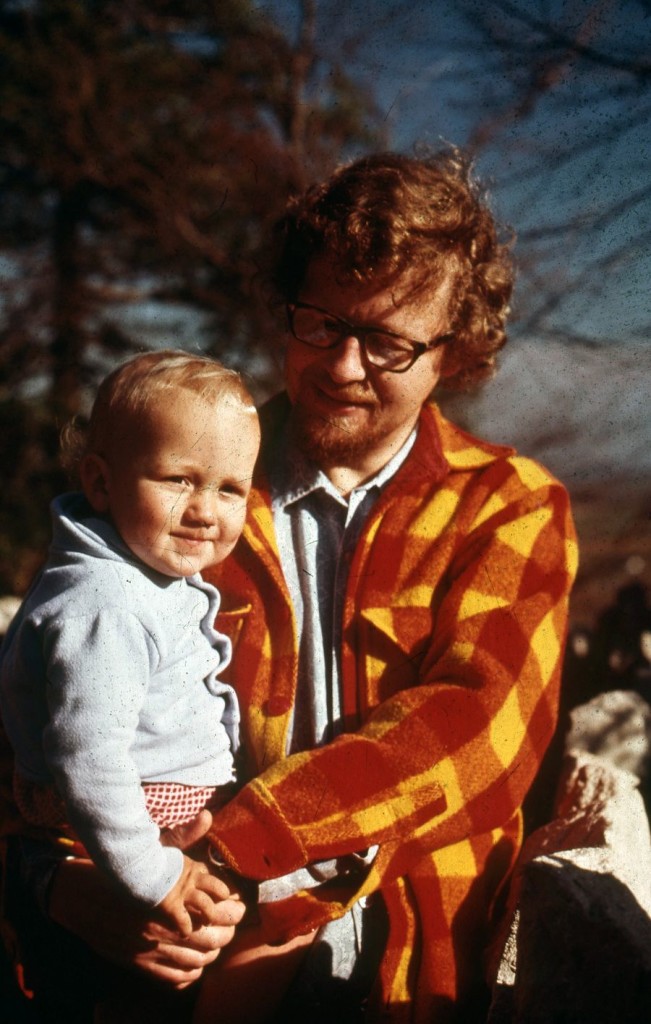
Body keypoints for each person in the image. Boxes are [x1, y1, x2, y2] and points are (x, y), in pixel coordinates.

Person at [1, 149, 578, 1024]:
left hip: (399, 956)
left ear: (452, 353)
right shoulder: (187, 488)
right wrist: (66, 886)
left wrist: (242, 844)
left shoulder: (508, 507)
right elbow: (45, 710)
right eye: (320, 323)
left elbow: (480, 735)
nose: (345, 366)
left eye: (388, 341)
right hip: (175, 944)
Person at [0, 351, 260, 1015]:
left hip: (128, 833)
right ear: (101, 482)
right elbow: (88, 756)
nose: (205, 509)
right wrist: (153, 873)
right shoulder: (106, 601)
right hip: (100, 843)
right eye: (178, 479)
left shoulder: (146, 575)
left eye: (230, 488)